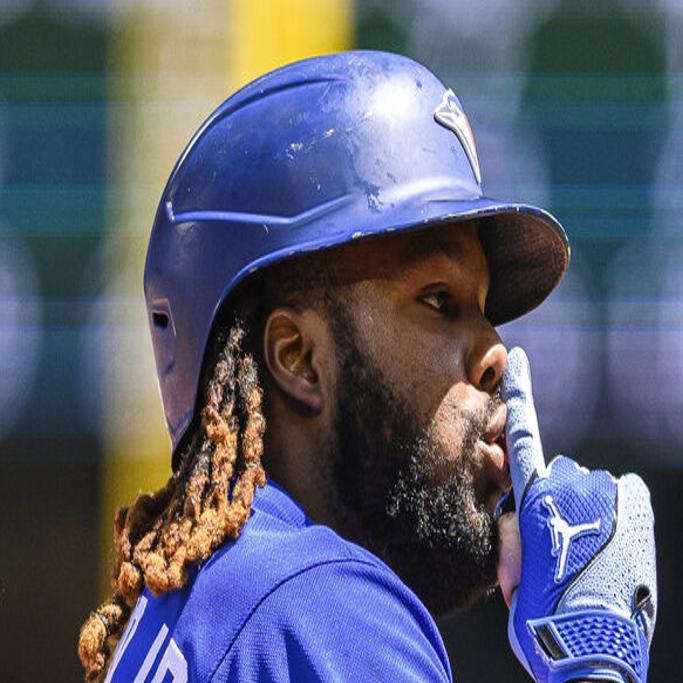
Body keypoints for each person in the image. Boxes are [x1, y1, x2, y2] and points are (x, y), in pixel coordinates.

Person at [78, 51, 656, 682]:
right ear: (298, 358)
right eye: (440, 301)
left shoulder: (202, 604)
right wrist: (595, 661)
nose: (496, 353)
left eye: (485, 309)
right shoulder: (318, 611)